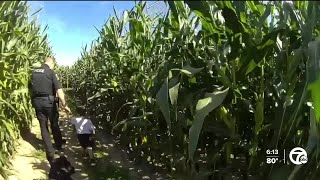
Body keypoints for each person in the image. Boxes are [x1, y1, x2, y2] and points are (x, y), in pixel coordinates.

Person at [28, 57, 71, 165]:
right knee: (54, 123)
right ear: (51, 64)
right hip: (49, 103)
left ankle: (50, 153)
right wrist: (64, 105)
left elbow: (30, 89)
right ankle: (58, 144)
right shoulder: (50, 72)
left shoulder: (34, 72)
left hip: (37, 102)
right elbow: (59, 91)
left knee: (43, 126)